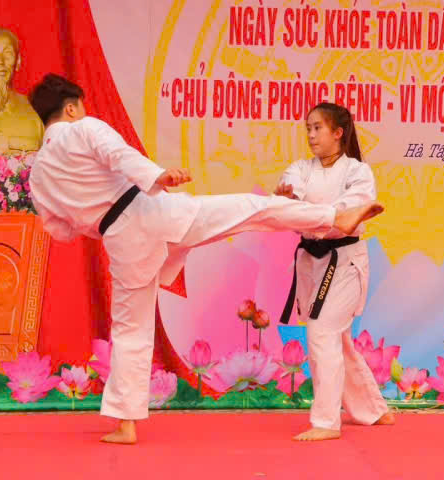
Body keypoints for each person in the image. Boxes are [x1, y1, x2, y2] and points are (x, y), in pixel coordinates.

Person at [26, 74, 384, 445]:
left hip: (120, 239)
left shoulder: (39, 175)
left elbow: (60, 229)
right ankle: (334, 217)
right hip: (154, 214)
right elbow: (117, 153)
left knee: (130, 329)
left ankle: (125, 422)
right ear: (71, 108)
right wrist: (158, 175)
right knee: (252, 209)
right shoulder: (83, 128)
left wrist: (93, 215)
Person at [274, 103, 395, 442]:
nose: (311, 135)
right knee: (336, 337)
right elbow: (290, 196)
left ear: (338, 133)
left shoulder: (357, 172)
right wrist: (288, 199)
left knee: (323, 330)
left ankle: (326, 421)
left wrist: (311, 211)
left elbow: (351, 208)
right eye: (308, 128)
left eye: (318, 128)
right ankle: (373, 409)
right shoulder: (300, 169)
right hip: (311, 261)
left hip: (344, 261)